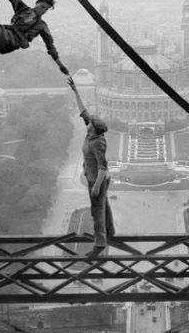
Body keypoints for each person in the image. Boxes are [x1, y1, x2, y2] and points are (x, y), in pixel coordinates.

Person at [68, 77, 115, 260]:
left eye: (90, 122)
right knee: (104, 205)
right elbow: (83, 109)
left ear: (94, 129)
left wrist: (96, 186)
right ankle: (110, 231)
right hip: (93, 177)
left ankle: (100, 243)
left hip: (98, 180)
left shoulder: (97, 142)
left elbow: (103, 166)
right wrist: (75, 90)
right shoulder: (91, 131)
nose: (87, 122)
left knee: (97, 211)